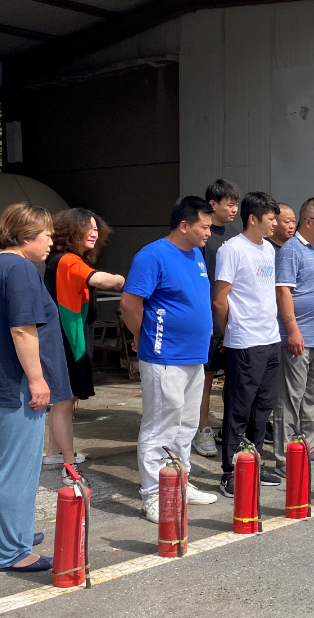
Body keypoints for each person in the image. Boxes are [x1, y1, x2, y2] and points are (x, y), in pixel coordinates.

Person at [0, 203, 71, 572]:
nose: (51, 243)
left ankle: (1, 537)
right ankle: (12, 550)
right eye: (47, 236)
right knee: (17, 469)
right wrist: (38, 379)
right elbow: (23, 330)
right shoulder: (21, 269)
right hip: (18, 384)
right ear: (26, 236)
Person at [121, 196, 219, 522]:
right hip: (165, 355)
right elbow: (130, 304)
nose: (209, 233)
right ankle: (153, 494)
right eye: (204, 227)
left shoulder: (196, 254)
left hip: (194, 355)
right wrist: (143, 336)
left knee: (186, 425)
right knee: (161, 426)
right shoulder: (152, 256)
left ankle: (180, 482)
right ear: (184, 225)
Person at [43, 208, 125, 483]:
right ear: (71, 231)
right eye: (87, 227)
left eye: (96, 228)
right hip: (67, 338)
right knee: (65, 401)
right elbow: (99, 279)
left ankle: (54, 452)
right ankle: (69, 464)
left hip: (68, 336)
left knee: (63, 400)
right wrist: (126, 281)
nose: (94, 233)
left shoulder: (66, 259)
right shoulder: (67, 260)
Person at [214, 192, 283, 496]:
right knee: (238, 407)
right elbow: (219, 299)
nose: (275, 223)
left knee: (262, 407)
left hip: (270, 338)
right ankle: (230, 471)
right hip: (244, 341)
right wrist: (229, 331)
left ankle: (252, 461)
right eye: (270, 218)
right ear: (253, 219)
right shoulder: (232, 250)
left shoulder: (268, 248)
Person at [274, 197, 314, 475]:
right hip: (300, 336)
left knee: (312, 395)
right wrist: (292, 330)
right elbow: (283, 291)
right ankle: (285, 455)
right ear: (308, 221)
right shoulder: (291, 249)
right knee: (291, 397)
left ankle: (310, 446)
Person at [194, 179, 241, 458]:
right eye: (229, 204)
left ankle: (228, 428)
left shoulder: (235, 234)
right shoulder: (202, 235)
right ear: (213, 204)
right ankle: (202, 429)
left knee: (233, 376)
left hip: (233, 316)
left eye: (236, 204)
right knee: (206, 376)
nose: (234, 209)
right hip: (208, 317)